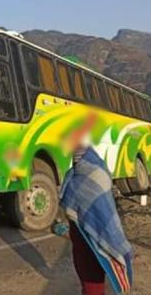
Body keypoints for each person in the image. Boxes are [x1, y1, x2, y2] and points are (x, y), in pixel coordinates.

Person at [59, 112, 133, 295]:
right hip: (84, 237)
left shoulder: (91, 174)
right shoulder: (77, 174)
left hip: (93, 237)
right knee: (89, 281)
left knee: (92, 282)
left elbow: (100, 209)